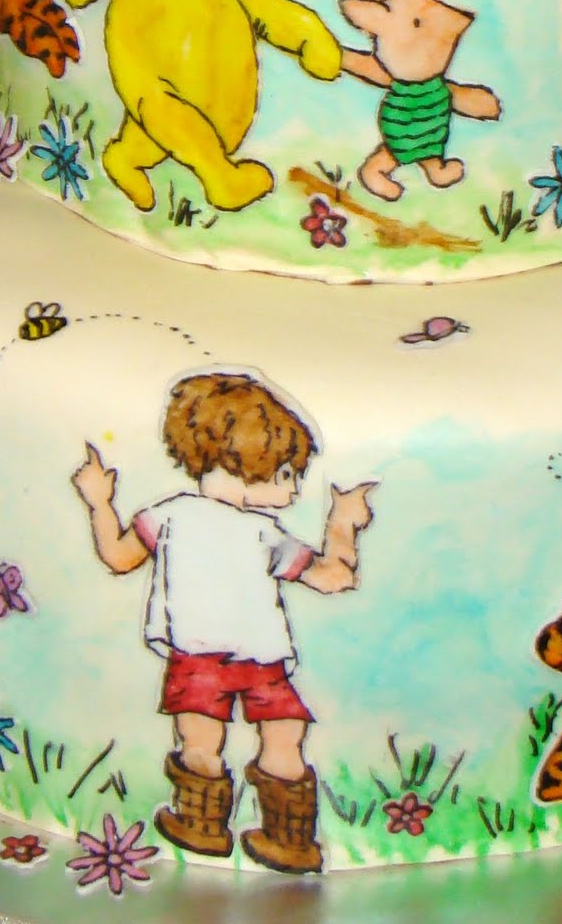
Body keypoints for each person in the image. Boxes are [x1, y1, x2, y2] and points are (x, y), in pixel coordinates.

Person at [72, 369, 375, 873]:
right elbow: (121, 557)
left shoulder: (265, 533)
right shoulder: (171, 515)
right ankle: (202, 826)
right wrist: (99, 503)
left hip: (262, 660)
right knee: (202, 743)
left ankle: (289, 840)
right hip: (199, 657)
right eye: (285, 473)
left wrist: (342, 522)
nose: (294, 489)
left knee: (285, 739)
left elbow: (331, 577)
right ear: (241, 460)